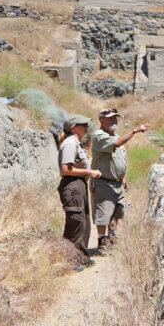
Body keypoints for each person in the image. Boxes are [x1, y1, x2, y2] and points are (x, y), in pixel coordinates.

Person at [90, 108, 149, 253]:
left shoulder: (115, 136)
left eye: (115, 118)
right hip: (104, 182)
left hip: (116, 182)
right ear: (101, 120)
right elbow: (116, 144)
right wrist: (134, 131)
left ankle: (111, 238)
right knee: (103, 214)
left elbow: (118, 159)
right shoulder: (99, 136)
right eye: (110, 118)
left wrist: (122, 176)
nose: (114, 120)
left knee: (117, 212)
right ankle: (102, 243)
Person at [58, 115, 101, 270]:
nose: (86, 128)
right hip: (73, 185)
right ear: (74, 128)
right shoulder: (70, 143)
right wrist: (89, 171)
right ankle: (70, 261)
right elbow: (66, 169)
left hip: (78, 185)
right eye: (83, 125)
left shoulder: (75, 143)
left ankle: (81, 258)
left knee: (83, 222)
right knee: (76, 223)